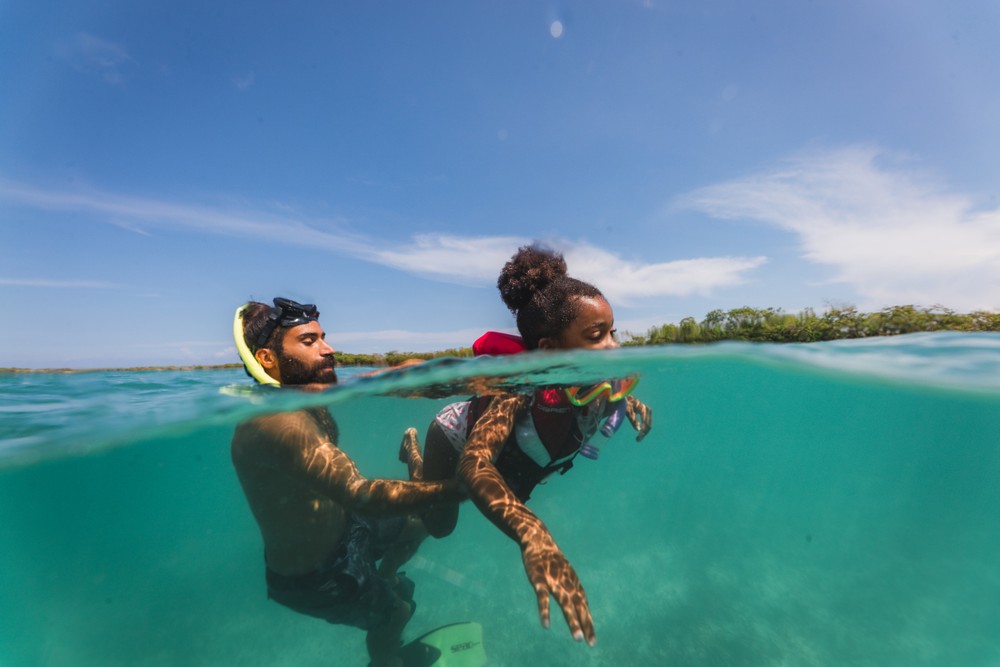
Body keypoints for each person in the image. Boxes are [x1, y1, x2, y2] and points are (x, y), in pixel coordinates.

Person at [399, 245, 653, 647]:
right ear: (550, 350)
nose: (613, 347)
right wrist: (533, 533)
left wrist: (632, 402)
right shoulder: (518, 392)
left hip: (514, 470)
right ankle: (413, 457)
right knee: (439, 527)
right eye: (596, 335)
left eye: (613, 331)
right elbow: (475, 462)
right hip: (451, 437)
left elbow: (609, 393)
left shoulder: (602, 383)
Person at [230, 298, 464, 667]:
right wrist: (461, 489)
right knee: (398, 613)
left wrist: (421, 371)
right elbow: (362, 494)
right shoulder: (275, 422)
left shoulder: (307, 392)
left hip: (348, 528)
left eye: (324, 337)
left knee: (419, 526)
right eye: (309, 342)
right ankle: (385, 661)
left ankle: (383, 577)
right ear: (267, 359)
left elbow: (372, 380)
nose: (329, 349)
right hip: (316, 573)